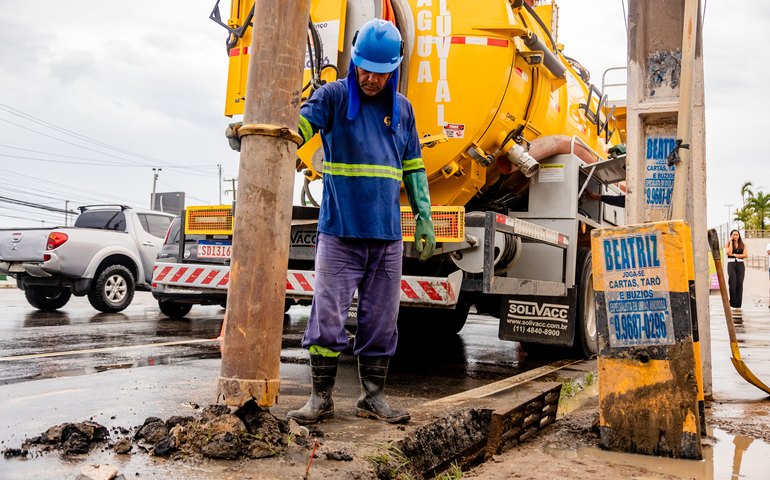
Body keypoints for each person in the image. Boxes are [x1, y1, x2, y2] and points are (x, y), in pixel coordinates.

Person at [282, 19, 435, 425]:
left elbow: (414, 166)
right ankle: (321, 398)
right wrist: (267, 136)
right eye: (365, 68)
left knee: (382, 320)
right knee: (327, 314)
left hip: (386, 238)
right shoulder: (332, 96)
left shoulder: (402, 110)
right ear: (354, 60)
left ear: (394, 69)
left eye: (380, 72)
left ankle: (373, 397)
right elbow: (301, 125)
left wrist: (424, 214)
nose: (370, 78)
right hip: (339, 233)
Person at [725, 229, 747, 318]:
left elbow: (745, 255)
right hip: (731, 264)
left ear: (739, 236)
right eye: (733, 235)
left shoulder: (743, 244)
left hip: (740, 265)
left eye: (736, 235)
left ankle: (738, 304)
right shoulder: (728, 244)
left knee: (740, 283)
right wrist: (730, 241)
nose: (735, 236)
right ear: (731, 235)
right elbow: (729, 253)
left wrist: (735, 255)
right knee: (732, 283)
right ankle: (732, 303)